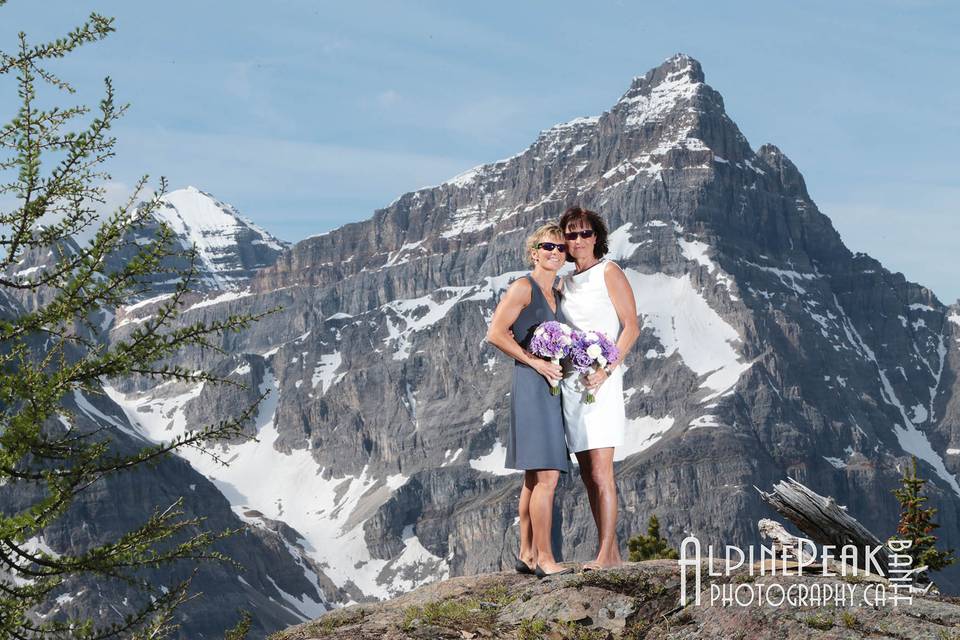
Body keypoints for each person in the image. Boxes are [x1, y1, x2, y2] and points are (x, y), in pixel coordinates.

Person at [486, 223, 573, 578]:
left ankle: (527, 553)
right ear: (533, 251)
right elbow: (495, 332)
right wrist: (535, 361)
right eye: (547, 246)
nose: (555, 252)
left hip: (550, 385)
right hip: (531, 385)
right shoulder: (524, 288)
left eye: (561, 248)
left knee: (534, 477)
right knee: (549, 476)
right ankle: (546, 558)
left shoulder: (557, 293)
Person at [558, 206, 639, 570]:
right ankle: (612, 552)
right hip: (572, 384)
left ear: (597, 237)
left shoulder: (610, 272)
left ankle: (606, 553)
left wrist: (606, 370)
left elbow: (631, 326)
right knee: (587, 472)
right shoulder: (563, 282)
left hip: (601, 380)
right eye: (571, 235)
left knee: (603, 470)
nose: (578, 240)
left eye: (584, 233)